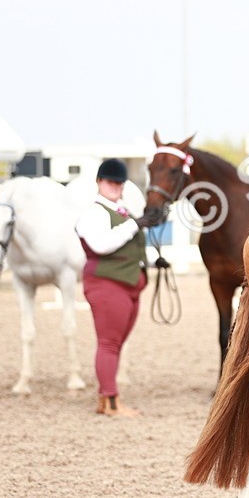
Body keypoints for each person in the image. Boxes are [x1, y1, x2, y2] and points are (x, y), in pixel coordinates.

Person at [75, 159, 157, 417]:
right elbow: (102, 245)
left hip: (128, 285)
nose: (115, 186)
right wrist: (136, 224)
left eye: (119, 182)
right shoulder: (94, 213)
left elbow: (130, 248)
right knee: (109, 343)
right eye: (111, 181)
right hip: (107, 284)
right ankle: (111, 401)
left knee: (116, 343)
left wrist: (154, 260)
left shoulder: (122, 211)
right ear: (99, 182)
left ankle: (106, 397)